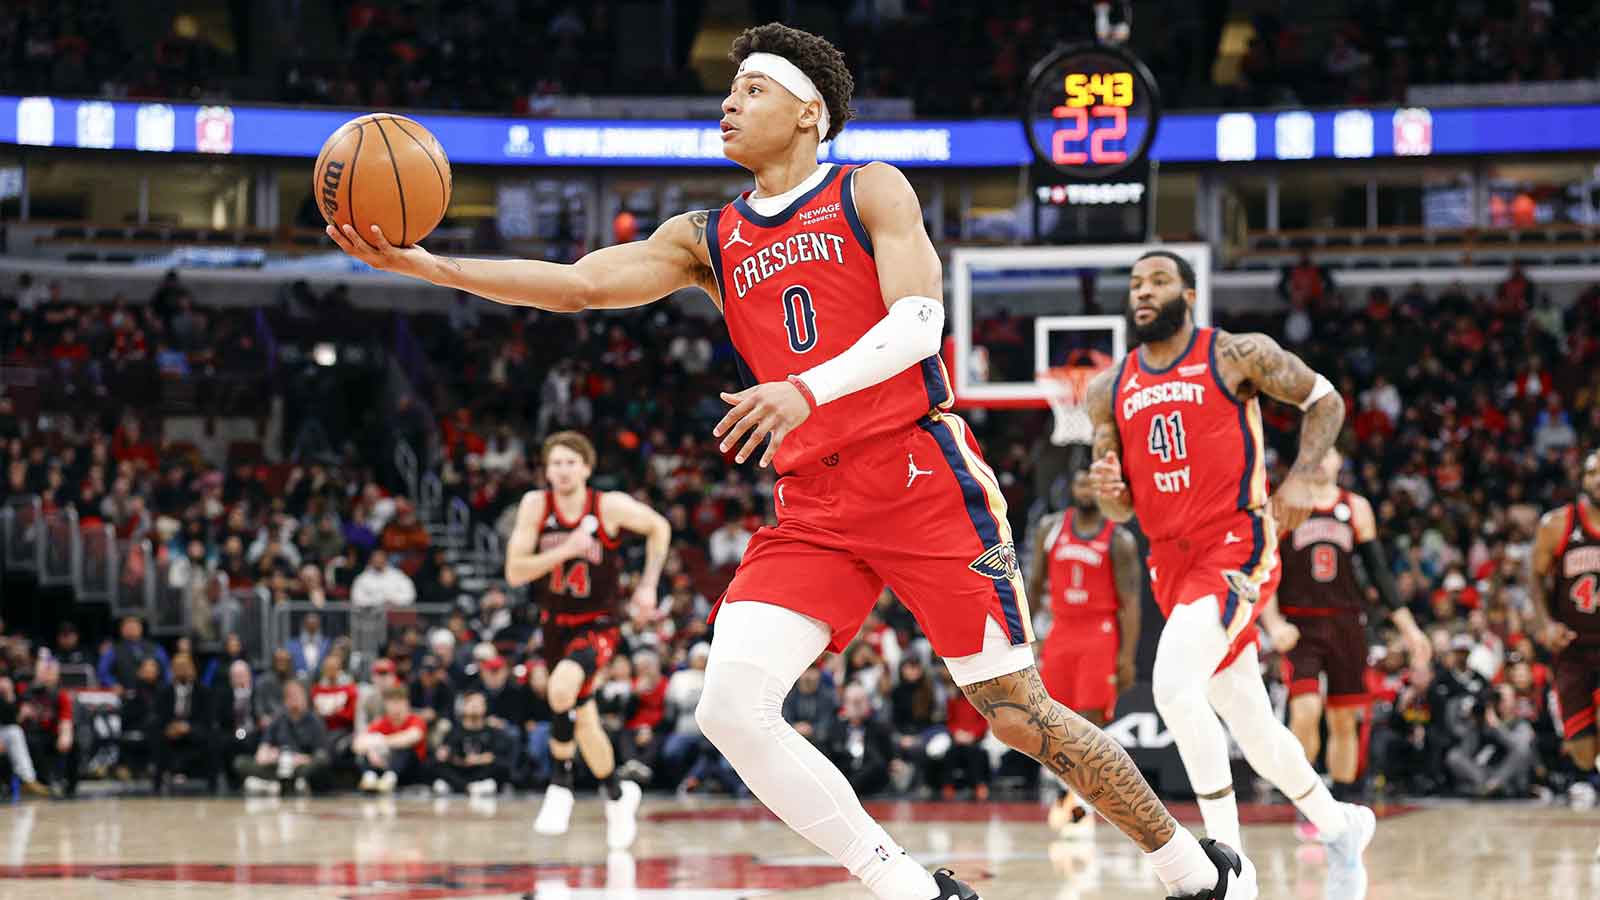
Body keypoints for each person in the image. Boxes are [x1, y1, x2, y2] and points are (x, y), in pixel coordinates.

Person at [327, 22, 1249, 900]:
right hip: (814, 501)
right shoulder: (708, 235)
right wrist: (437, 268)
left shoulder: (870, 187)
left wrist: (806, 389)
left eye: (753, 88)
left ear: (809, 112)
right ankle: (906, 882)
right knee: (729, 706)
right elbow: (579, 286)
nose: (729, 103)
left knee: (1014, 712)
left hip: (922, 476)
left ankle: (1184, 866)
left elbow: (921, 323)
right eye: (729, 89)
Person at [1086, 249, 1371, 897]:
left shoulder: (1235, 354)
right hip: (1169, 561)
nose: (1143, 293)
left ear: (1189, 293)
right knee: (1249, 718)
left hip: (1235, 543)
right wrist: (1107, 487)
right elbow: (1118, 503)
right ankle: (1340, 825)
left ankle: (1228, 866)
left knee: (1174, 686)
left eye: (1158, 281)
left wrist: (1301, 478)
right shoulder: (1109, 386)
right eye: (1134, 284)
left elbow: (1325, 401)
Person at [503, 431, 670, 850]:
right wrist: (567, 550)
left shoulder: (607, 505)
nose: (561, 471)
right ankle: (616, 796)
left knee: (560, 689)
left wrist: (648, 585)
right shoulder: (535, 506)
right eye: (554, 463)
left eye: (570, 463)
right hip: (554, 623)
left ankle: (560, 785)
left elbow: (659, 527)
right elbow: (515, 572)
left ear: (587, 468)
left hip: (598, 623)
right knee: (586, 720)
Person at [1265, 448, 1430, 808]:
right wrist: (1274, 622)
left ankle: (1341, 806)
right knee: (1305, 711)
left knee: (1344, 719)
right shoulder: (1284, 504)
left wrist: (1410, 630)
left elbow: (1378, 572)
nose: (1322, 458)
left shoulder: (1356, 507)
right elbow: (1266, 569)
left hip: (1345, 623)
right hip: (1300, 625)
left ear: (1341, 462)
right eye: (1315, 452)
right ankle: (1305, 797)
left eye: (1330, 452)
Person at [1026, 467, 1142, 836]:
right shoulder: (1051, 528)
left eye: (1093, 483)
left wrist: (1126, 656)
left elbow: (1131, 603)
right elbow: (1034, 585)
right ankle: (1069, 795)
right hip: (1061, 628)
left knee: (1092, 721)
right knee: (1054, 719)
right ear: (1071, 488)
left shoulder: (1118, 538)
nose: (1087, 489)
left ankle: (1084, 804)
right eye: (1080, 483)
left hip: (1099, 630)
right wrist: (1027, 635)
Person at [1528, 449, 1600, 839]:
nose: (1599, 479)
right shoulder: (1557, 524)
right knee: (1582, 748)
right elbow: (1535, 580)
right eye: (1593, 472)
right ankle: (1587, 777)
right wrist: (1544, 622)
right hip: (1571, 646)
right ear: (1583, 479)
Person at [236, 680, 330, 795]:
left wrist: (301, 759)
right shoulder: (278, 719)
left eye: (297, 694)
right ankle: (280, 783)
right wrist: (269, 755)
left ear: (305, 698)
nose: (294, 698)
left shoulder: (315, 721)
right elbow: (262, 750)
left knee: (321, 761)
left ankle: (274, 784)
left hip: (300, 766)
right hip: (277, 764)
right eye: (290, 695)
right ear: (285, 700)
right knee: (240, 762)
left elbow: (322, 753)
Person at [153, 654, 215, 793]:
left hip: (195, 731)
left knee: (212, 736)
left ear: (192, 669)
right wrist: (170, 728)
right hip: (170, 732)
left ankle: (212, 784)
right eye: (178, 667)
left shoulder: (203, 692)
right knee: (156, 733)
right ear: (172, 670)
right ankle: (159, 782)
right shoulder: (164, 692)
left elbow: (208, 719)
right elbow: (159, 716)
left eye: (185, 666)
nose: (182, 670)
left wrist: (188, 728)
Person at [433, 690, 510, 797]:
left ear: (485, 708)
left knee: (501, 767)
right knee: (436, 765)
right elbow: (446, 753)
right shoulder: (453, 731)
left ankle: (457, 787)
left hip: (481, 770)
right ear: (463, 707)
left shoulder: (492, 731)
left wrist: (478, 759)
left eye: (479, 703)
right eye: (471, 702)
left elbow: (497, 755)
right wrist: (454, 758)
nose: (474, 706)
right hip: (460, 769)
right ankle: (470, 788)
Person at [354, 686, 428, 793]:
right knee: (365, 752)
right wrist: (371, 751)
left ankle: (389, 779)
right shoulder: (381, 722)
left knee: (403, 749)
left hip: (410, 770)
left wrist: (378, 742)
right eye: (392, 703)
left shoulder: (416, 720)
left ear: (406, 704)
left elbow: (412, 737)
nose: (395, 708)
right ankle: (370, 778)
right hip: (382, 765)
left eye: (399, 703)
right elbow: (357, 744)